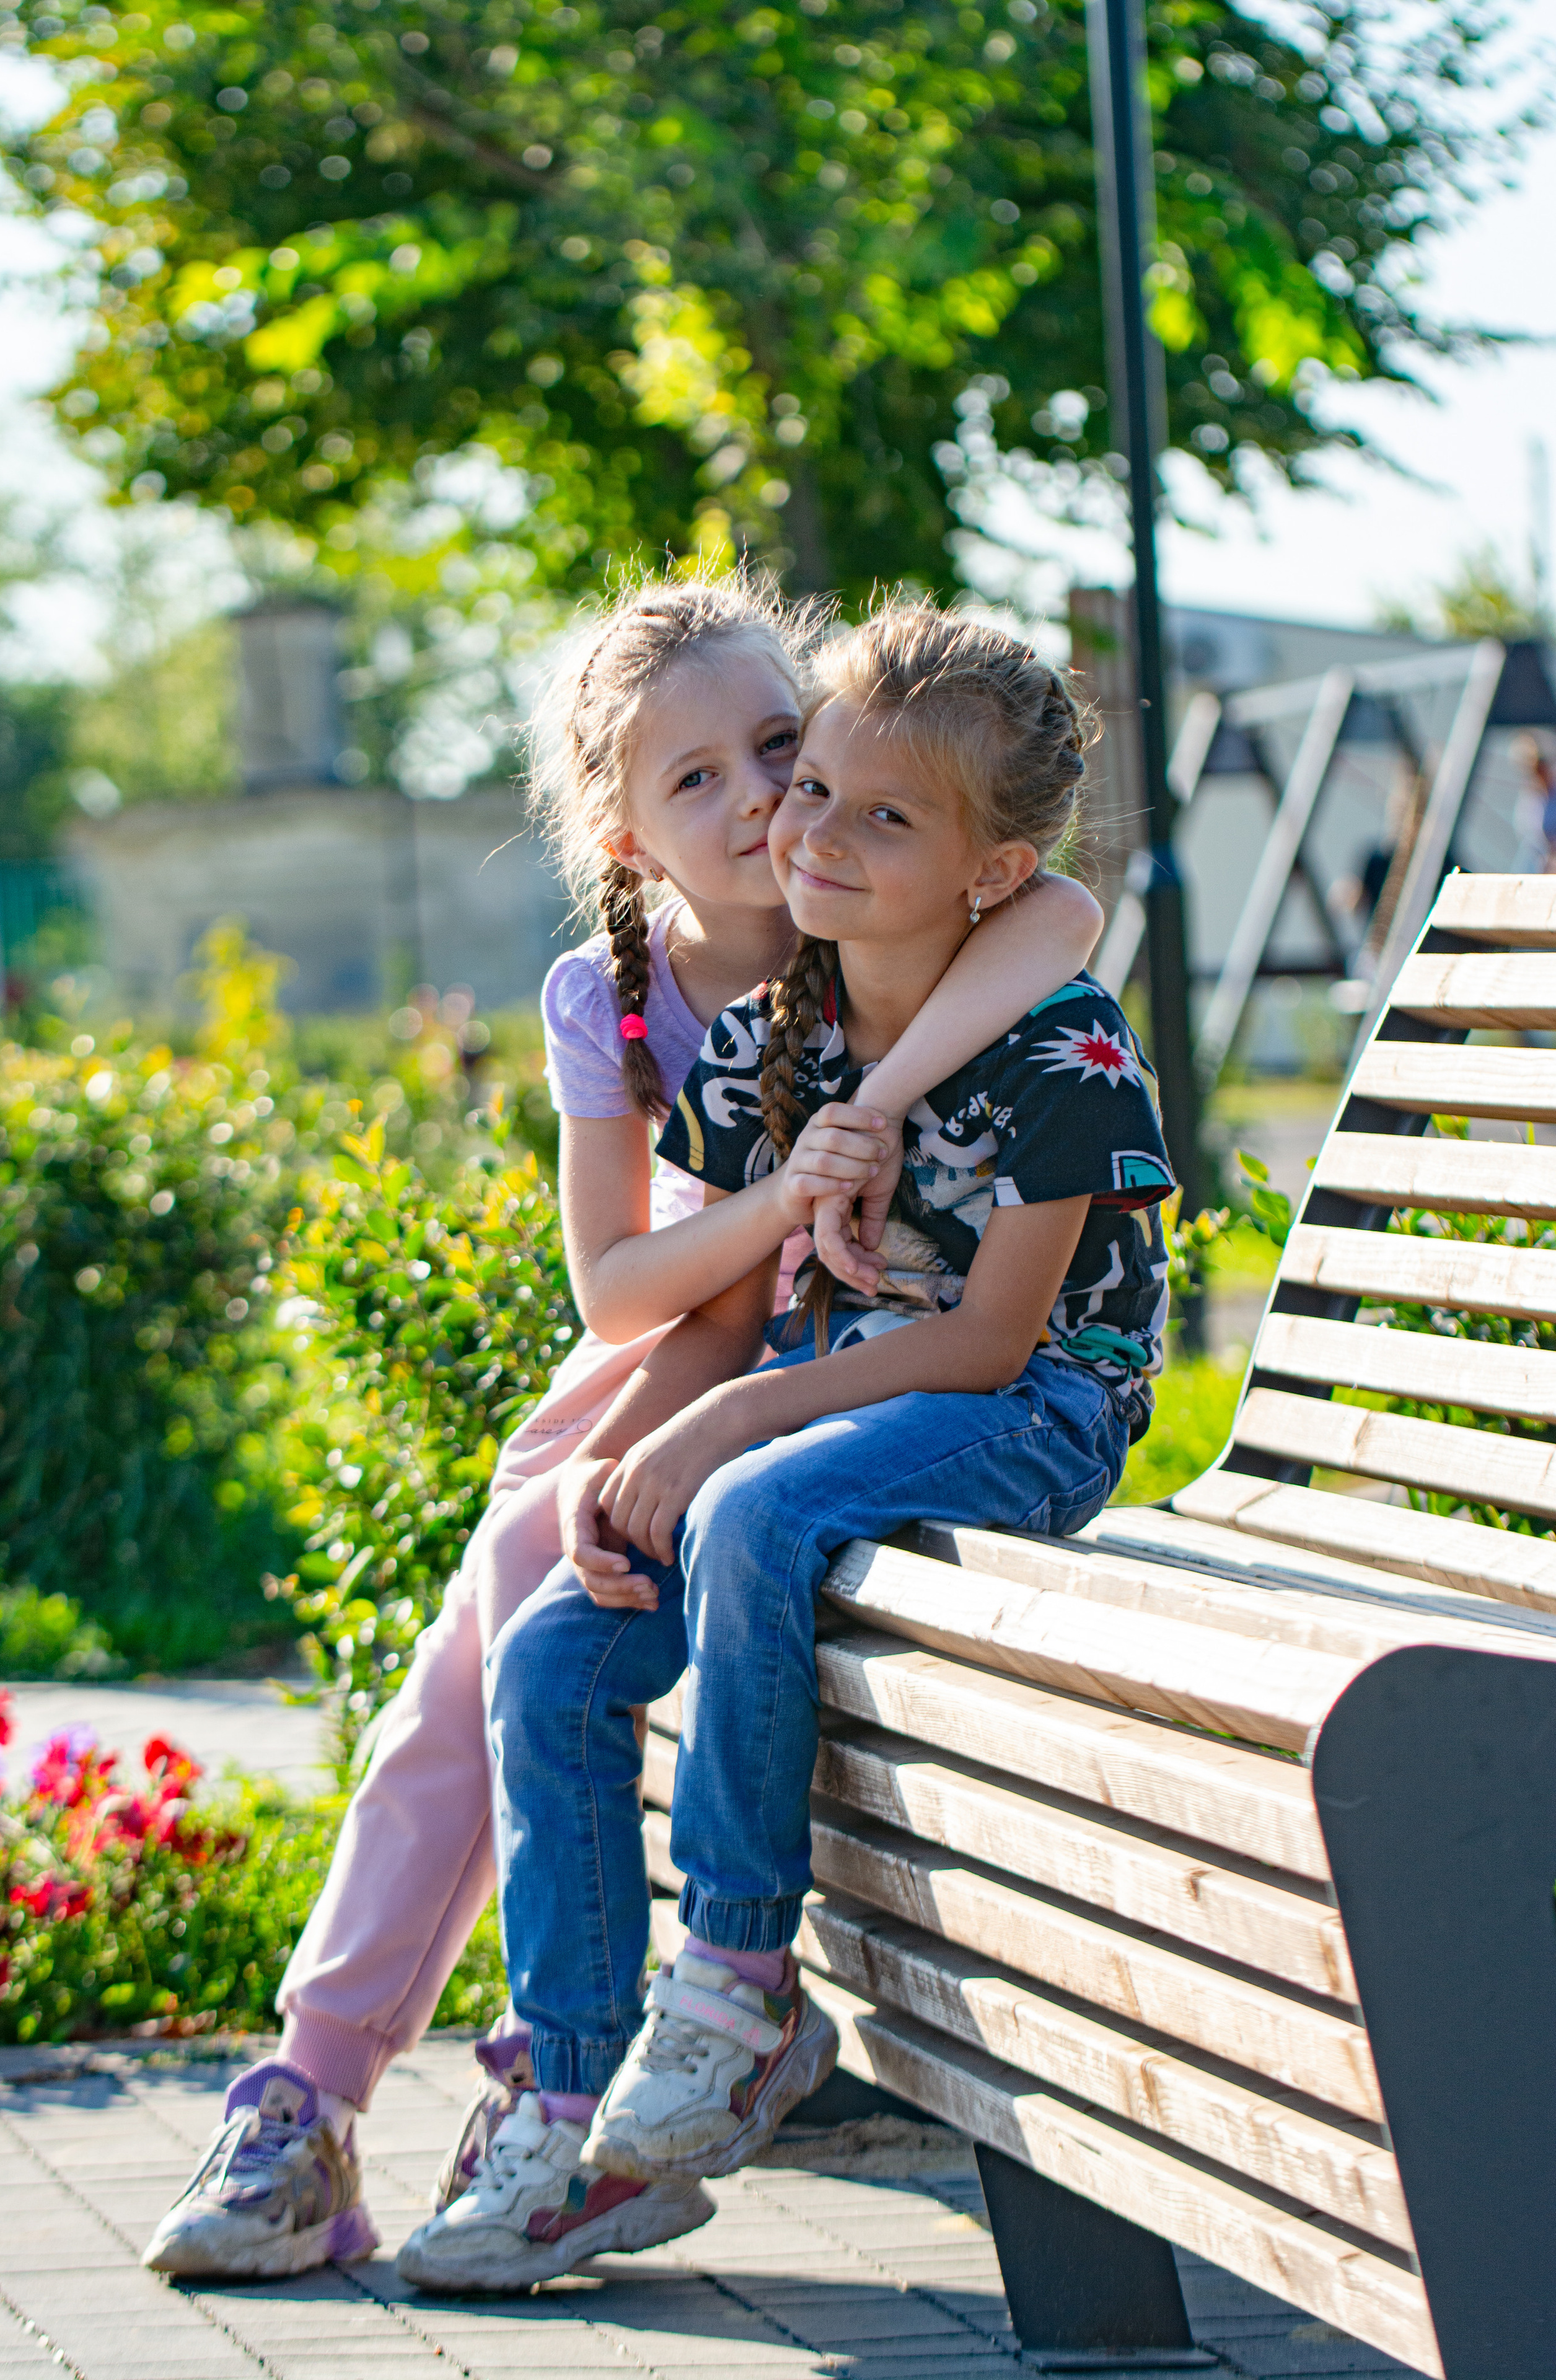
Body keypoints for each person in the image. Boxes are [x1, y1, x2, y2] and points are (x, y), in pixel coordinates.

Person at [142, 575, 1105, 2281]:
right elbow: (633, 1292)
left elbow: (1064, 918)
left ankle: (548, 2079)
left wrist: (864, 1115)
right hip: (683, 1341)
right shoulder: (627, 990)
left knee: (544, 1588)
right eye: (697, 781)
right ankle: (321, 2084)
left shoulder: (863, 895)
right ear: (623, 829)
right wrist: (793, 1199)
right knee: (510, 1608)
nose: (758, 802)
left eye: (780, 749)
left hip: (818, 1358)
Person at [400, 599, 1172, 2292]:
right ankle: (577, 2111)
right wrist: (645, 1455)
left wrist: (730, 1428)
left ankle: (741, 1985)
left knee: (751, 1511)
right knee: (551, 1663)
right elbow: (736, 1312)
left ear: (983, 868)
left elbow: (992, 1345)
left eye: (878, 815)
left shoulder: (1066, 1047)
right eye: (807, 786)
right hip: (834, 1403)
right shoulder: (776, 1039)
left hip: (1025, 1410)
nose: (805, 830)